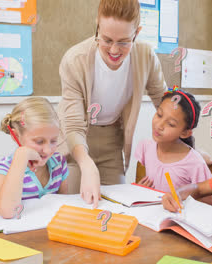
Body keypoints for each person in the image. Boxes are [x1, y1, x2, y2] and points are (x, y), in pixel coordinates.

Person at [57, 0, 167, 207]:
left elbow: (166, 103)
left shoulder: (145, 56)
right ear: (97, 25)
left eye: (124, 42)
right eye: (106, 40)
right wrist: (86, 164)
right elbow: (72, 125)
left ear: (137, 33)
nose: (114, 50)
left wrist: (189, 146)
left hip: (112, 141)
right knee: (71, 206)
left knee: (115, 206)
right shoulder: (75, 59)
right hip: (74, 142)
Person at [0, 97, 68, 219]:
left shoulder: (58, 162)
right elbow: (7, 212)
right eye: (39, 141)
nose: (47, 150)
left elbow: (63, 205)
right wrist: (21, 157)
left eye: (53, 140)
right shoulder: (3, 170)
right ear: (16, 135)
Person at [134, 89, 212, 205]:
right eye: (159, 115)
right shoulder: (146, 147)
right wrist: (138, 190)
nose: (159, 125)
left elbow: (210, 206)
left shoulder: (195, 163)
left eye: (170, 124)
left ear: (185, 133)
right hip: (149, 218)